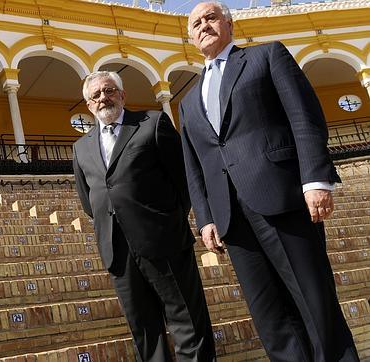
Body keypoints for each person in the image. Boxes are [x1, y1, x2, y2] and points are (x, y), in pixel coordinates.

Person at [178, 2, 359, 361]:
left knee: (314, 299)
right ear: (191, 38)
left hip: (281, 195)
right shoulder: (187, 100)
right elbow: (194, 163)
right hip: (230, 215)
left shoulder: (266, 56)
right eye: (196, 23)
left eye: (211, 17)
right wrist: (205, 218)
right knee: (269, 312)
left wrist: (316, 180)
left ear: (229, 24)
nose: (204, 26)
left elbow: (304, 117)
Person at [73, 71, 215, 362]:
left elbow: (183, 179)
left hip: (164, 241)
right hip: (117, 250)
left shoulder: (152, 123)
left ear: (122, 95)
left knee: (186, 319)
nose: (103, 98)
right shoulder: (81, 147)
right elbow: (89, 201)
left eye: (109, 90)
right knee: (144, 330)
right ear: (88, 105)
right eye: (96, 95)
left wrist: (167, 220)